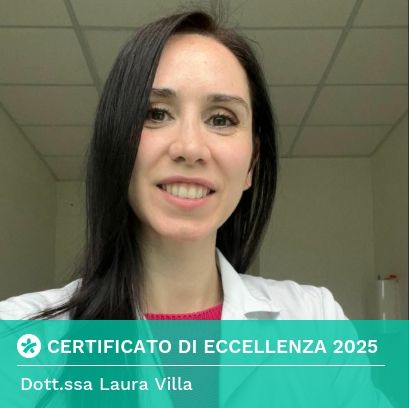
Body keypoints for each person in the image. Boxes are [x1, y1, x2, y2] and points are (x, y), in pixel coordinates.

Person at [0, 10, 344, 321]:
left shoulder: (317, 319)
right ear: (116, 142)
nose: (190, 148)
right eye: (156, 113)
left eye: (221, 119)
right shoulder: (18, 332)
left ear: (252, 165)